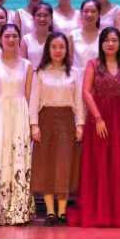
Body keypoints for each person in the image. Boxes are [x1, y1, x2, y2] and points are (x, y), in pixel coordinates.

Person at [69, 27, 120, 227]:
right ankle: (99, 212)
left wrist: (118, 112)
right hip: (98, 119)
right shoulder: (93, 64)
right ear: (101, 44)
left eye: (114, 40)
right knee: (100, 164)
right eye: (106, 40)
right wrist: (98, 117)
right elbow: (86, 92)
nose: (110, 44)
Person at [29, 32, 84, 226]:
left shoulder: (74, 73)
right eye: (54, 47)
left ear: (67, 50)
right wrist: (34, 125)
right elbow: (34, 100)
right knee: (46, 165)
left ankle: (62, 211)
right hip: (45, 121)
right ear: (48, 50)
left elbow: (78, 101)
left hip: (67, 122)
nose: (58, 50)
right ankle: (50, 212)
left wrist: (80, 125)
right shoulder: (40, 73)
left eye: (61, 47)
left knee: (64, 165)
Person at [0, 24, 34, 225]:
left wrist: (31, 122)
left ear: (19, 39)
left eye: (14, 36)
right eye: (7, 36)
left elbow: (29, 96)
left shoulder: (27, 65)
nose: (11, 40)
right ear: (0, 39)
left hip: (20, 114)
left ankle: (18, 210)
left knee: (18, 159)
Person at [69, 0, 101, 71]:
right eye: (86, 11)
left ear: (99, 14)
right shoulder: (73, 35)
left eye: (93, 11)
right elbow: (69, 62)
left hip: (97, 76)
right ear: (81, 13)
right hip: (76, 76)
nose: (89, 14)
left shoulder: (103, 36)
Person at [21, 2, 52, 67]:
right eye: (39, 15)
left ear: (51, 19)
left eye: (45, 15)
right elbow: (23, 66)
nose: (42, 19)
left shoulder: (55, 39)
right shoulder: (26, 39)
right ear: (33, 18)